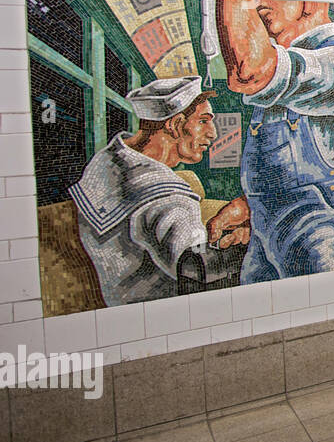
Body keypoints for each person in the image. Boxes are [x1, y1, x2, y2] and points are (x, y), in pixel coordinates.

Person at [217, 0, 334, 282]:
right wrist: (251, 205)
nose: (257, 2)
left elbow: (250, 72)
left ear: (311, 0)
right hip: (264, 233)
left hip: (318, 242)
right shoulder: (292, 62)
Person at [70, 76, 250, 306]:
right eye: (203, 121)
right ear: (174, 125)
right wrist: (252, 237)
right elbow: (202, 269)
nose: (213, 134)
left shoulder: (107, 160)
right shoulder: (167, 199)